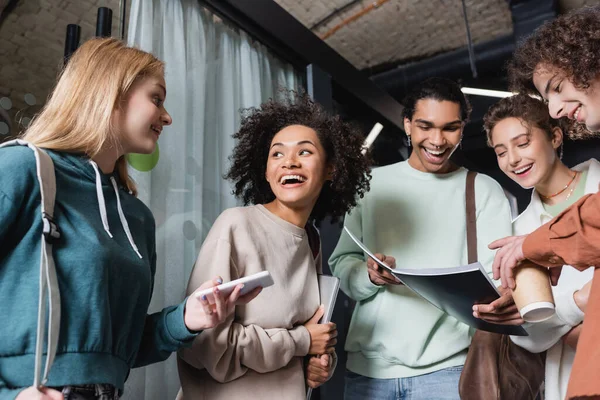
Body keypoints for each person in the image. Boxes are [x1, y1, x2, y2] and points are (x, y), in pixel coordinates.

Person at [0, 37, 258, 400]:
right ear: (111, 91)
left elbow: (123, 349)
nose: (167, 117)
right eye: (157, 98)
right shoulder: (21, 169)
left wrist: (186, 319)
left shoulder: (137, 217)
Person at [176, 92, 372, 400]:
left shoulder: (310, 239)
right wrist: (301, 342)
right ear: (266, 172)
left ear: (331, 169)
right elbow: (204, 345)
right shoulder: (236, 225)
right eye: (277, 154)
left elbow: (306, 332)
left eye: (304, 152)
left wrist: (319, 362)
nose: (289, 162)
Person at [329, 77, 513, 400]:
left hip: (450, 371)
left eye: (450, 128)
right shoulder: (370, 185)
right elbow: (342, 266)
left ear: (462, 127)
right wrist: (369, 276)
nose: (438, 140)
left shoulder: (482, 190)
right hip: (368, 372)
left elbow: (497, 280)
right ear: (408, 125)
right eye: (426, 126)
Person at [488, 7, 600, 398]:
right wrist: (578, 303)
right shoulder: (518, 230)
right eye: (501, 151)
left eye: (522, 143)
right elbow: (532, 336)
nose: (513, 159)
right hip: (573, 377)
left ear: (555, 137)